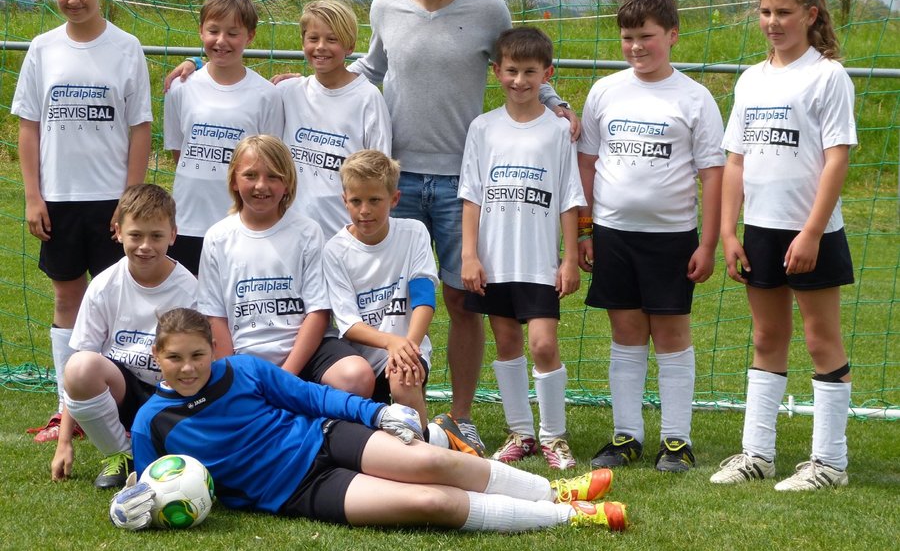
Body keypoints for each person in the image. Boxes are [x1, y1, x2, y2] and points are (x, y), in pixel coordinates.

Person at [165, 0, 579, 451]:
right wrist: (314, 74)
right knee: (375, 297)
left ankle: (460, 416)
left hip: (461, 181)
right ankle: (373, 403)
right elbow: (370, 68)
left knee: (460, 301)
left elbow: (518, 57)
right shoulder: (386, 6)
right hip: (394, 183)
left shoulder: (489, 8)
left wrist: (554, 100)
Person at [110, 307, 628, 533]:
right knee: (429, 502)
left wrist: (378, 410)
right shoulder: (152, 422)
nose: (188, 368)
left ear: (212, 349)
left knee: (430, 462)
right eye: (174, 358)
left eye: (197, 355)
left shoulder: (244, 370)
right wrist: (132, 506)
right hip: (295, 492)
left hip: (324, 437)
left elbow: (315, 397)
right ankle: (568, 518)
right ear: (157, 356)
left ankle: (555, 491)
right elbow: (151, 487)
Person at [710, 0, 857, 491]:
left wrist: (812, 232)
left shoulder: (828, 76)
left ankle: (830, 464)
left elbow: (837, 159)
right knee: (766, 336)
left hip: (812, 232)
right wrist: (729, 232)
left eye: (784, 13)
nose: (773, 22)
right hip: (761, 231)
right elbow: (735, 161)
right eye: (766, 12)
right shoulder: (751, 79)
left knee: (821, 340)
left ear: (811, 15)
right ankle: (758, 454)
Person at [577, 0, 724, 473]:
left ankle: (677, 441)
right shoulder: (605, 91)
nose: (636, 46)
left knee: (671, 333)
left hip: (672, 238)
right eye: (628, 37)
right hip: (613, 234)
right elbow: (587, 163)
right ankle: (627, 436)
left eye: (647, 36)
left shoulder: (694, 97)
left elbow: (713, 174)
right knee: (625, 331)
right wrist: (585, 230)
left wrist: (708, 242)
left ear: (673, 35)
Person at [12, 0, 152, 442]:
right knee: (67, 296)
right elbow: (29, 127)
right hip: (59, 199)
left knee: (120, 299)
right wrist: (34, 196)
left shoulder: (127, 47)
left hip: (112, 200)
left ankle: (123, 401)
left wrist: (129, 200)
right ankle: (65, 406)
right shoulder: (43, 48)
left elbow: (140, 128)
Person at [459, 28, 585, 470]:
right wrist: (469, 255)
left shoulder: (558, 131)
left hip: (538, 261)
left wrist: (569, 259)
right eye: (511, 71)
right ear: (496, 71)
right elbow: (472, 196)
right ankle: (521, 433)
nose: (519, 80)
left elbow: (569, 198)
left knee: (544, 345)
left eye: (530, 72)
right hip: (495, 260)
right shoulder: (483, 128)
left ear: (546, 74)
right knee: (507, 342)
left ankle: (553, 436)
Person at [197, 135, 374, 396]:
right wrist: (233, 376)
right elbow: (215, 316)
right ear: (234, 180)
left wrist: (284, 379)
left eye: (273, 176)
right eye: (250, 175)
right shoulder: (217, 237)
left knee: (356, 376)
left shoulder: (307, 231)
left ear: (288, 182)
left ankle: (321, 418)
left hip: (305, 352)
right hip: (247, 355)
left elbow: (318, 312)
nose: (261, 185)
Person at [49, 184, 196, 488]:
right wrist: (64, 442)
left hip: (173, 396)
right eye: (136, 235)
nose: (145, 246)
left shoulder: (190, 290)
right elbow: (76, 370)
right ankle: (121, 453)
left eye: (156, 236)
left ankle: (172, 443)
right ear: (118, 232)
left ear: (173, 234)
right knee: (80, 367)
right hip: (124, 394)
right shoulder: (104, 286)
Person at [323, 149, 469, 453]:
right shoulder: (335, 251)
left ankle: (425, 457)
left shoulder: (413, 233)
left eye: (375, 200)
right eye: (356, 201)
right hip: (364, 362)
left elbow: (424, 297)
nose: (365, 210)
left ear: (395, 199)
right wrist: (392, 343)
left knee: (404, 377)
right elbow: (349, 325)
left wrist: (408, 348)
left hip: (409, 346)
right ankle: (441, 436)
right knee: (376, 440)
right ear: (344, 201)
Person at [164, 0, 284, 275]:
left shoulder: (266, 95)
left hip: (239, 221)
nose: (221, 41)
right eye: (213, 31)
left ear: (250, 36)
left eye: (232, 33)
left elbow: (271, 163)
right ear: (200, 31)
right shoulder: (180, 87)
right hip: (187, 221)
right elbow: (179, 150)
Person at [279, 0, 391, 239]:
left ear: (350, 46)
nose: (321, 47)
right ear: (303, 42)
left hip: (345, 235)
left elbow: (380, 171)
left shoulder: (367, 98)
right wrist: (196, 64)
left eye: (332, 39)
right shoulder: (288, 92)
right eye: (313, 38)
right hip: (292, 232)